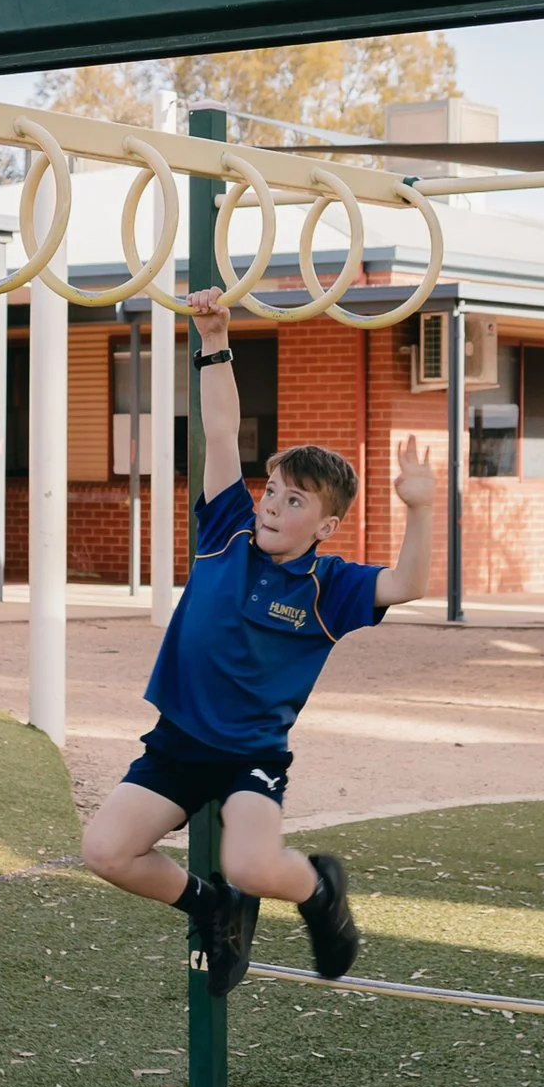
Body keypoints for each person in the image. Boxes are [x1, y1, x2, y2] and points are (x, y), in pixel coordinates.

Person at [82, 286, 435, 995]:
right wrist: (213, 338)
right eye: (273, 491)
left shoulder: (330, 585)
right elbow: (219, 431)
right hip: (177, 744)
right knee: (105, 850)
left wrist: (420, 508)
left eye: (295, 501)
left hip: (250, 755)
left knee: (250, 864)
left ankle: (318, 888)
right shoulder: (224, 533)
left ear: (325, 526)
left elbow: (408, 584)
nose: (274, 505)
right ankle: (210, 905)